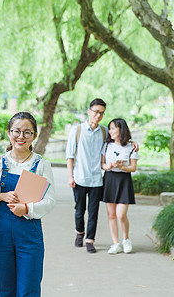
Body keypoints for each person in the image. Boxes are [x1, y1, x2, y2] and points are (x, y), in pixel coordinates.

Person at [0, 112, 55, 297]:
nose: (21, 137)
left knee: (28, 290)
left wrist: (27, 208)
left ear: (34, 136)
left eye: (27, 133)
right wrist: (1, 196)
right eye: (16, 131)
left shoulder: (41, 164)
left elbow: (50, 200)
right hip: (1, 232)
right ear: (8, 133)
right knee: (5, 289)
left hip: (29, 233)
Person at [65, 98, 108, 253]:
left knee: (94, 211)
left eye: (101, 113)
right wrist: (70, 176)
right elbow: (70, 156)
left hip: (97, 179)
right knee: (79, 210)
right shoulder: (77, 130)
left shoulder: (104, 131)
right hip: (79, 178)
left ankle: (90, 240)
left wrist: (132, 143)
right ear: (89, 111)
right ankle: (79, 233)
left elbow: (118, 142)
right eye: (96, 111)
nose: (98, 115)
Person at [101, 118, 139, 254]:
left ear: (120, 130)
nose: (110, 131)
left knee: (121, 215)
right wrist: (109, 166)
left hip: (124, 180)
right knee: (111, 215)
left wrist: (122, 166)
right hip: (110, 179)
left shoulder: (131, 147)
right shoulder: (107, 146)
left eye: (113, 128)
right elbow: (102, 164)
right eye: (109, 128)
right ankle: (115, 243)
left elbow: (133, 168)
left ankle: (126, 240)